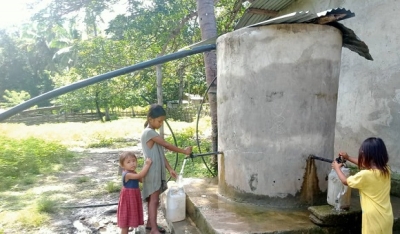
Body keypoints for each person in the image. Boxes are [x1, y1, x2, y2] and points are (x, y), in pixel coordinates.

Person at [141, 104, 192, 234]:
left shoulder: (152, 133)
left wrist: (169, 168)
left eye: (162, 121)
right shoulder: (149, 132)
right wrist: (184, 151)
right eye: (159, 121)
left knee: (154, 200)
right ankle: (153, 228)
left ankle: (149, 224)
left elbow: (160, 154)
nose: (160, 123)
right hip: (152, 172)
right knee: (153, 200)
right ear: (151, 119)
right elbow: (166, 145)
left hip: (155, 171)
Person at [332, 137, 393, 234]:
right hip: (386, 216)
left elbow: (345, 181)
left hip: (373, 219)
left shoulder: (365, 175)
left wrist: (337, 168)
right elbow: (366, 164)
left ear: (366, 156)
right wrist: (348, 157)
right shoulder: (386, 170)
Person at [117, 151, 152, 234]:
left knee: (130, 216)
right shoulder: (127, 174)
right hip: (128, 197)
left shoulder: (133, 172)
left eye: (134, 161)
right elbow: (140, 176)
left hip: (133, 196)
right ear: (123, 165)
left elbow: (141, 180)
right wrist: (147, 165)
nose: (132, 164)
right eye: (128, 162)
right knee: (125, 222)